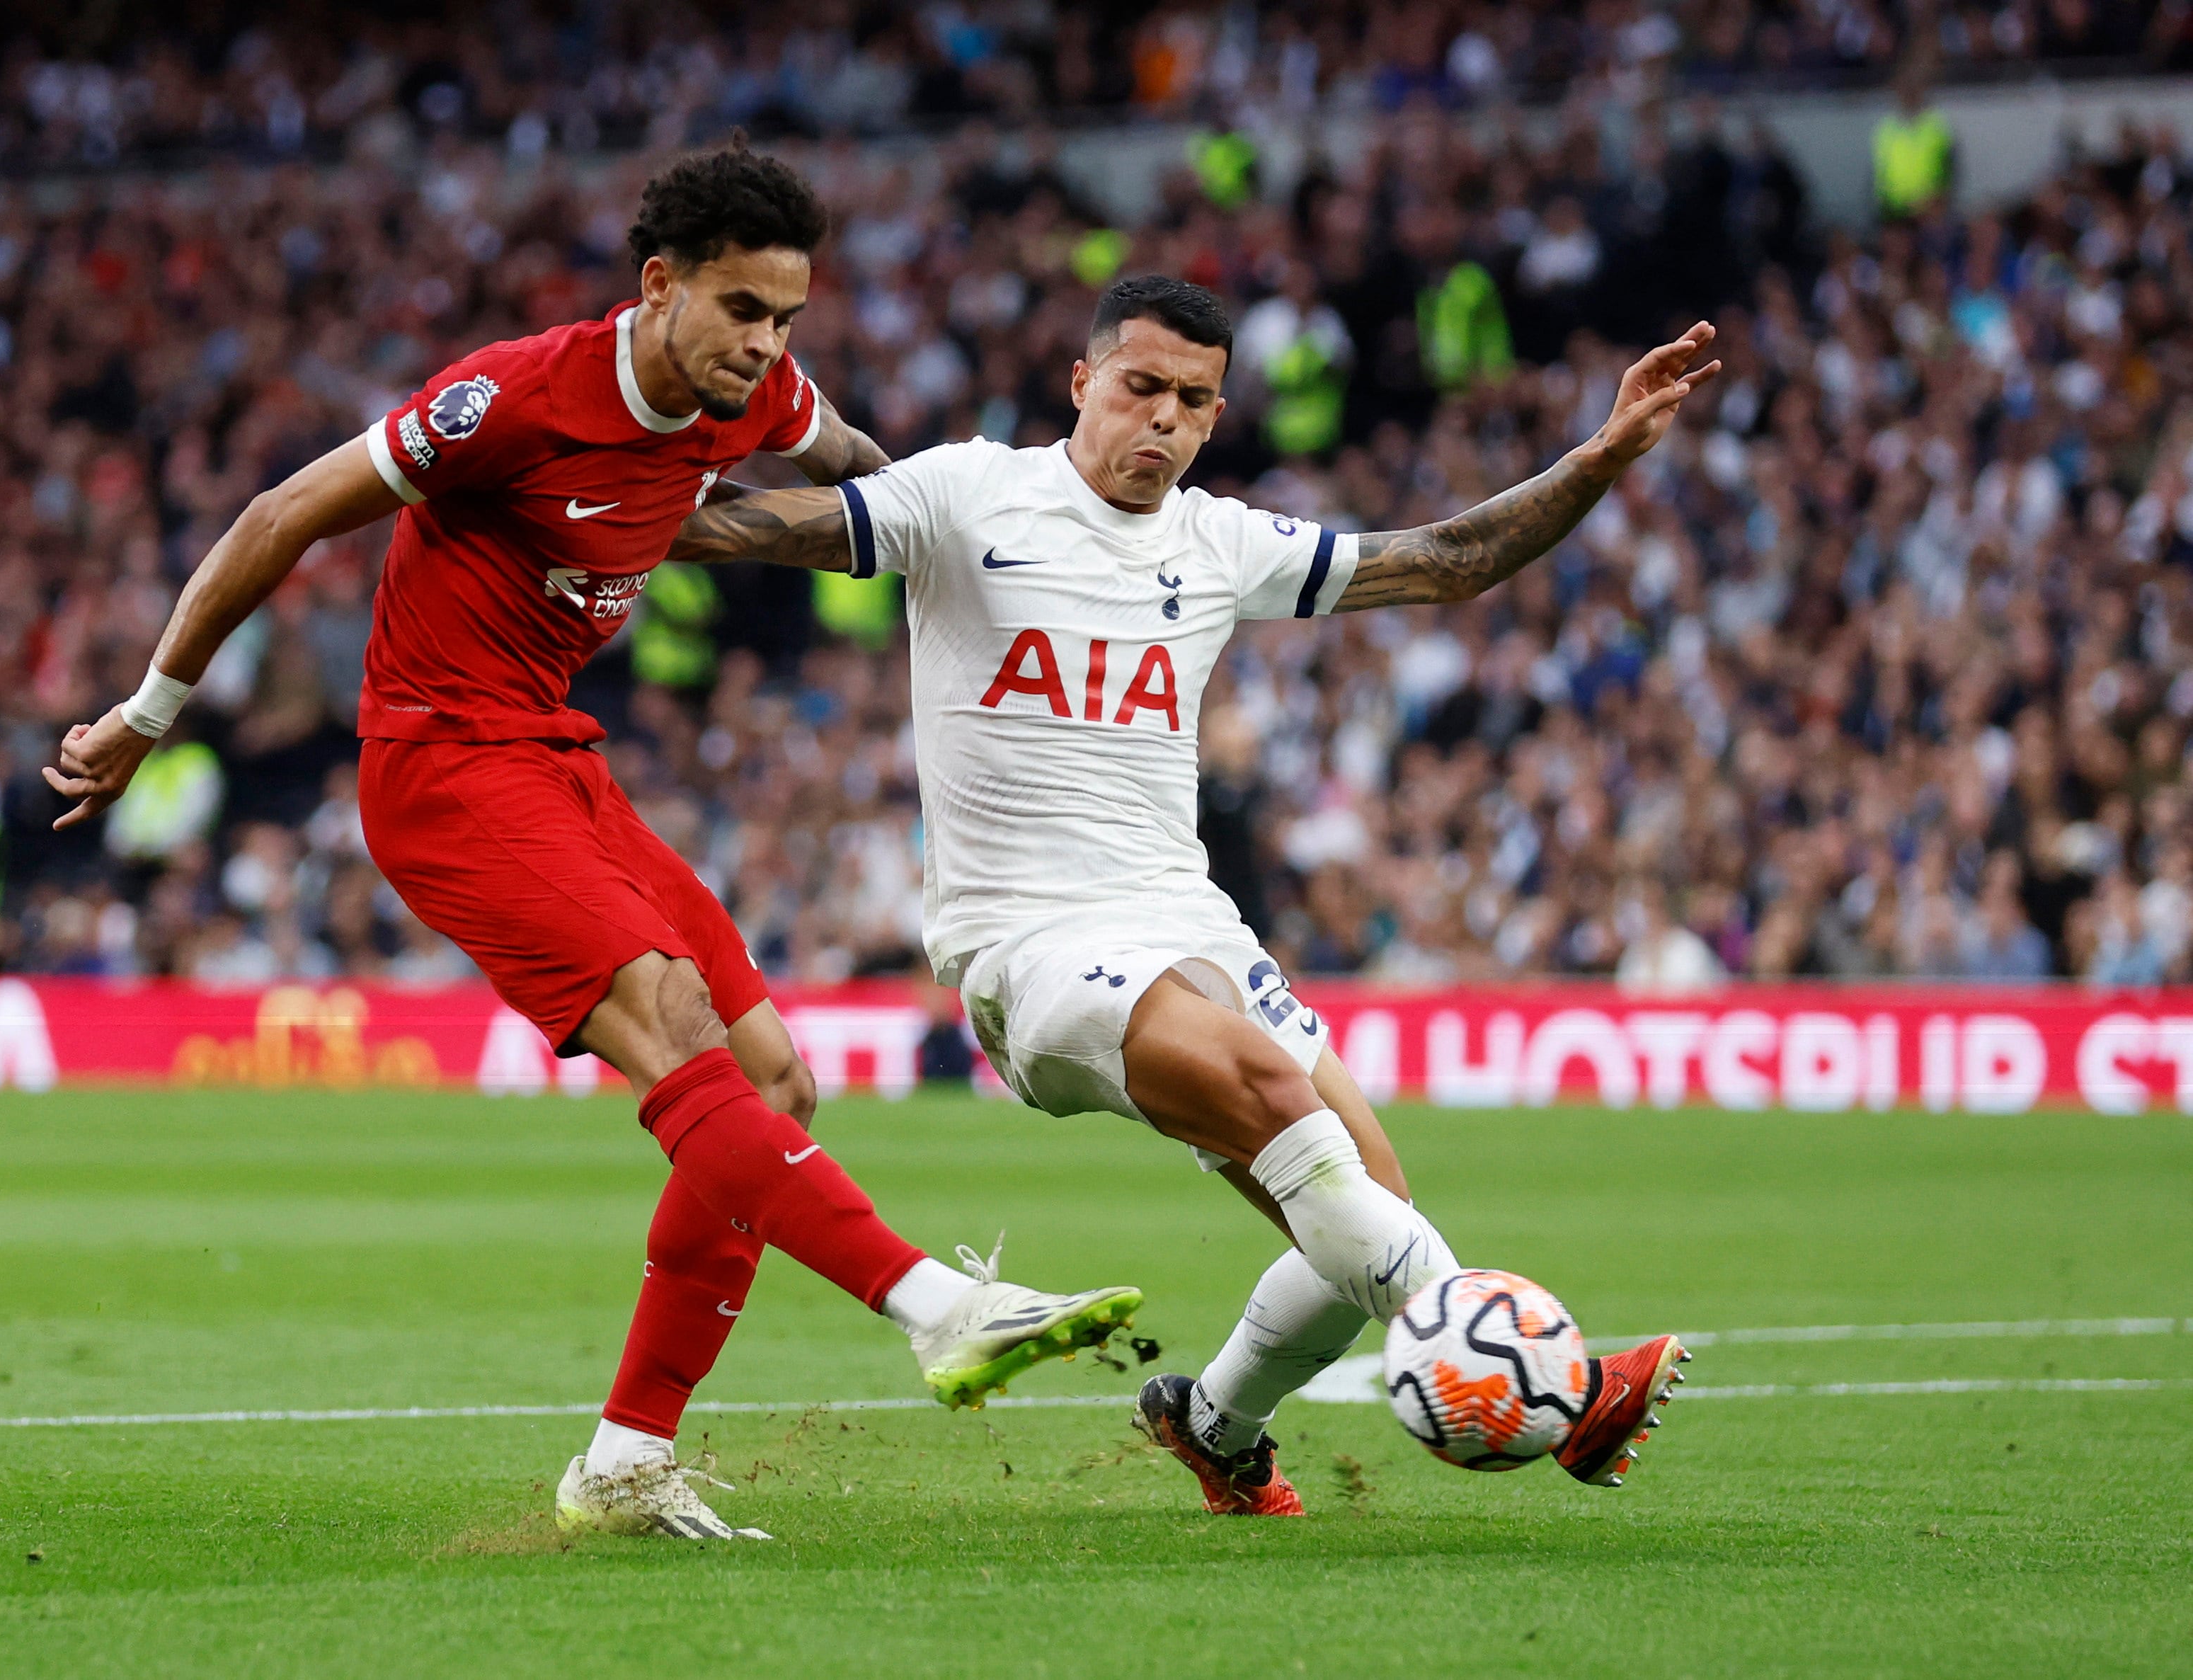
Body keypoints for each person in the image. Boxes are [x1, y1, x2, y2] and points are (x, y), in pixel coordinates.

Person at [42, 145, 1140, 1543]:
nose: (767, 345)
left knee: (774, 1080)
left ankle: (626, 1458)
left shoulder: (758, 391)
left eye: (787, 317)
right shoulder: (510, 399)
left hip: (556, 758)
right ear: (659, 284)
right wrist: (148, 714)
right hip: (441, 763)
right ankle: (939, 1305)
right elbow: (282, 515)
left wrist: (1021, 538)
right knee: (671, 1019)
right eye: (742, 309)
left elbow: (875, 473)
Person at [669, 275, 1710, 1514]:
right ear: (1084, 382)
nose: (1163, 417)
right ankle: (1563, 1387)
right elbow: (748, 528)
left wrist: (1600, 456)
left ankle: (1215, 1423)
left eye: (1196, 399)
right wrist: (583, 485)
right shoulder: (966, 494)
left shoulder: (1220, 542)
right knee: (1282, 1106)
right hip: (1031, 945)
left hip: (1186, 919)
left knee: (1366, 1210)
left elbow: (1448, 562)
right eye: (1141, 386)